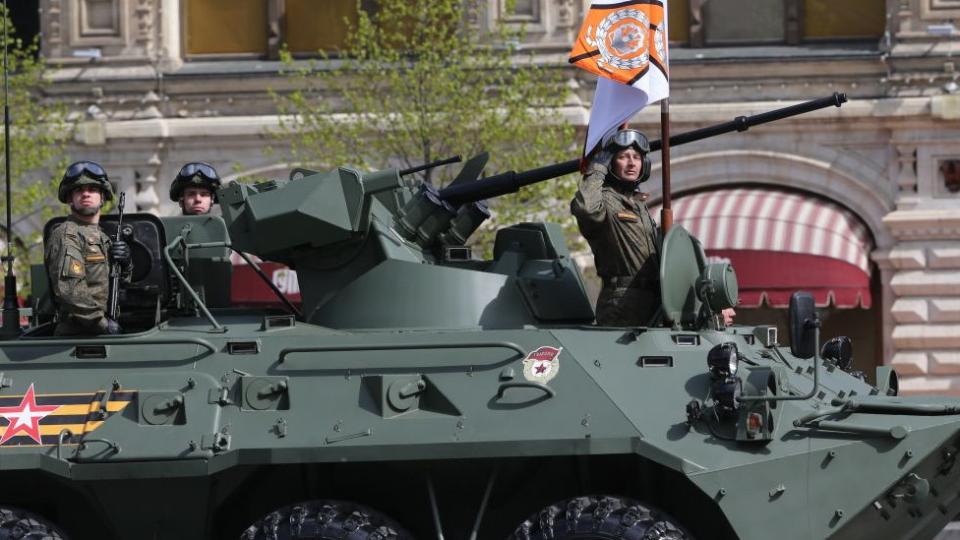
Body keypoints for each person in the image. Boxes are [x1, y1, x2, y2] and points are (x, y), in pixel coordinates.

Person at [571, 129, 661, 326]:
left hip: (654, 301)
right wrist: (597, 169)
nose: (631, 163)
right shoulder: (605, 199)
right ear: (611, 162)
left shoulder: (639, 205)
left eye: (637, 157)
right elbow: (587, 210)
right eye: (623, 157)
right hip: (621, 303)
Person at [45, 161, 131, 335]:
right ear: (70, 198)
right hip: (77, 337)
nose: (85, 194)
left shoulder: (102, 237)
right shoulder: (67, 234)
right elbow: (70, 290)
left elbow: (118, 284)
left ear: (103, 197)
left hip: (99, 334)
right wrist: (103, 324)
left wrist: (126, 264)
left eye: (92, 189)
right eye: (79, 190)